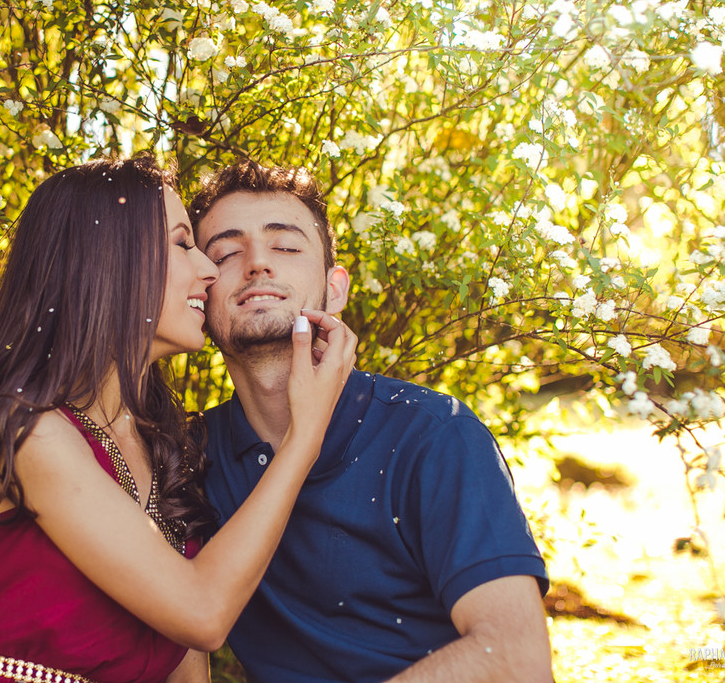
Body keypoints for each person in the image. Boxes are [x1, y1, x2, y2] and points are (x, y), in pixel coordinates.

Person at [0, 155, 356, 683]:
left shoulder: (166, 445)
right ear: (108, 262)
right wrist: (305, 437)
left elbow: (185, 661)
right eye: (183, 243)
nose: (209, 269)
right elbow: (203, 614)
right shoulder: (28, 430)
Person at [189, 160, 552, 683]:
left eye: (286, 246)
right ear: (201, 293)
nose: (257, 264)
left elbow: (515, 659)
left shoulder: (433, 434)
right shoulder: (192, 458)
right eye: (225, 253)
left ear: (335, 290)